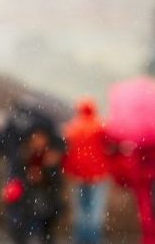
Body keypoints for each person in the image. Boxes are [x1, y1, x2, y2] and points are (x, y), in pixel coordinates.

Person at [62, 97, 109, 244]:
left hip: (78, 176)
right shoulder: (100, 127)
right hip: (98, 175)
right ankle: (94, 240)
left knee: (80, 211)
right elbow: (110, 147)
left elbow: (67, 154)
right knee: (95, 211)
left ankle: (81, 240)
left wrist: (69, 171)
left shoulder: (71, 128)